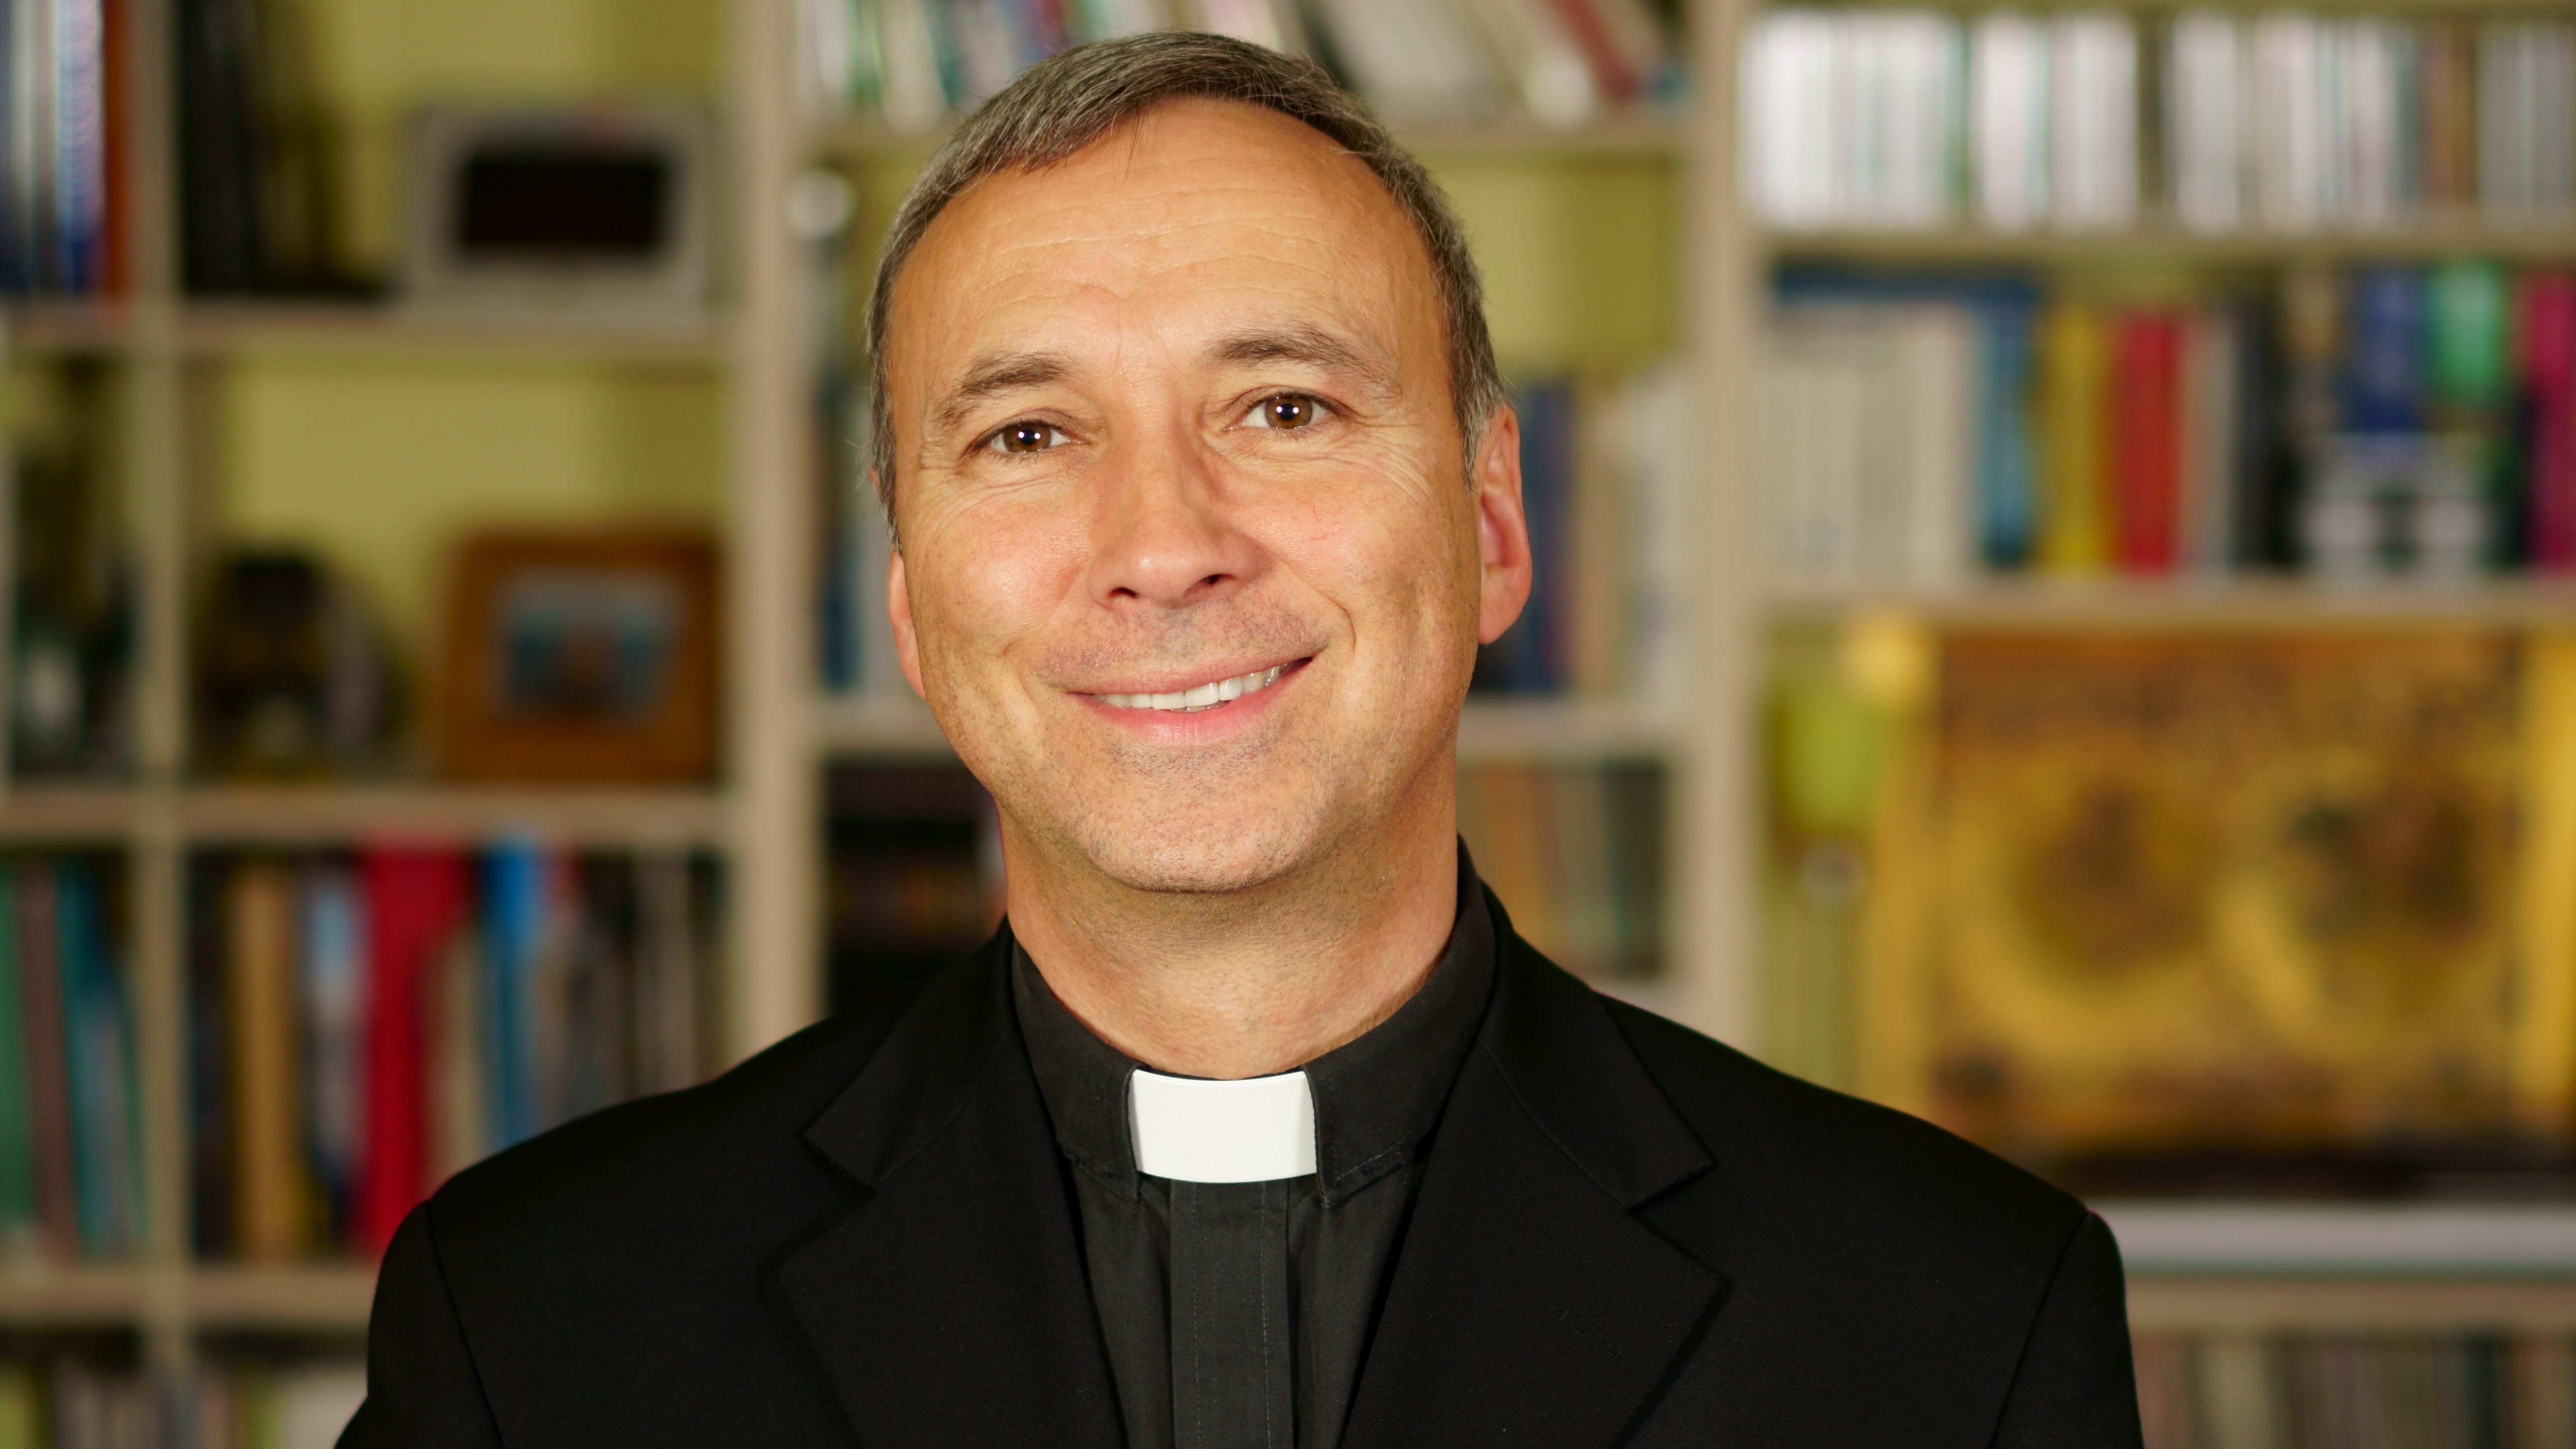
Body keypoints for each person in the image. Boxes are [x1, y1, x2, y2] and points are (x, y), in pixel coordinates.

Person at [343, 32, 2143, 1449]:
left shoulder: (1956, 1323)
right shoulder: (539, 1325)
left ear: (1495, 526)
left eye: (1284, 406)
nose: (1163, 545)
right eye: (1030, 438)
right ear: (907, 604)